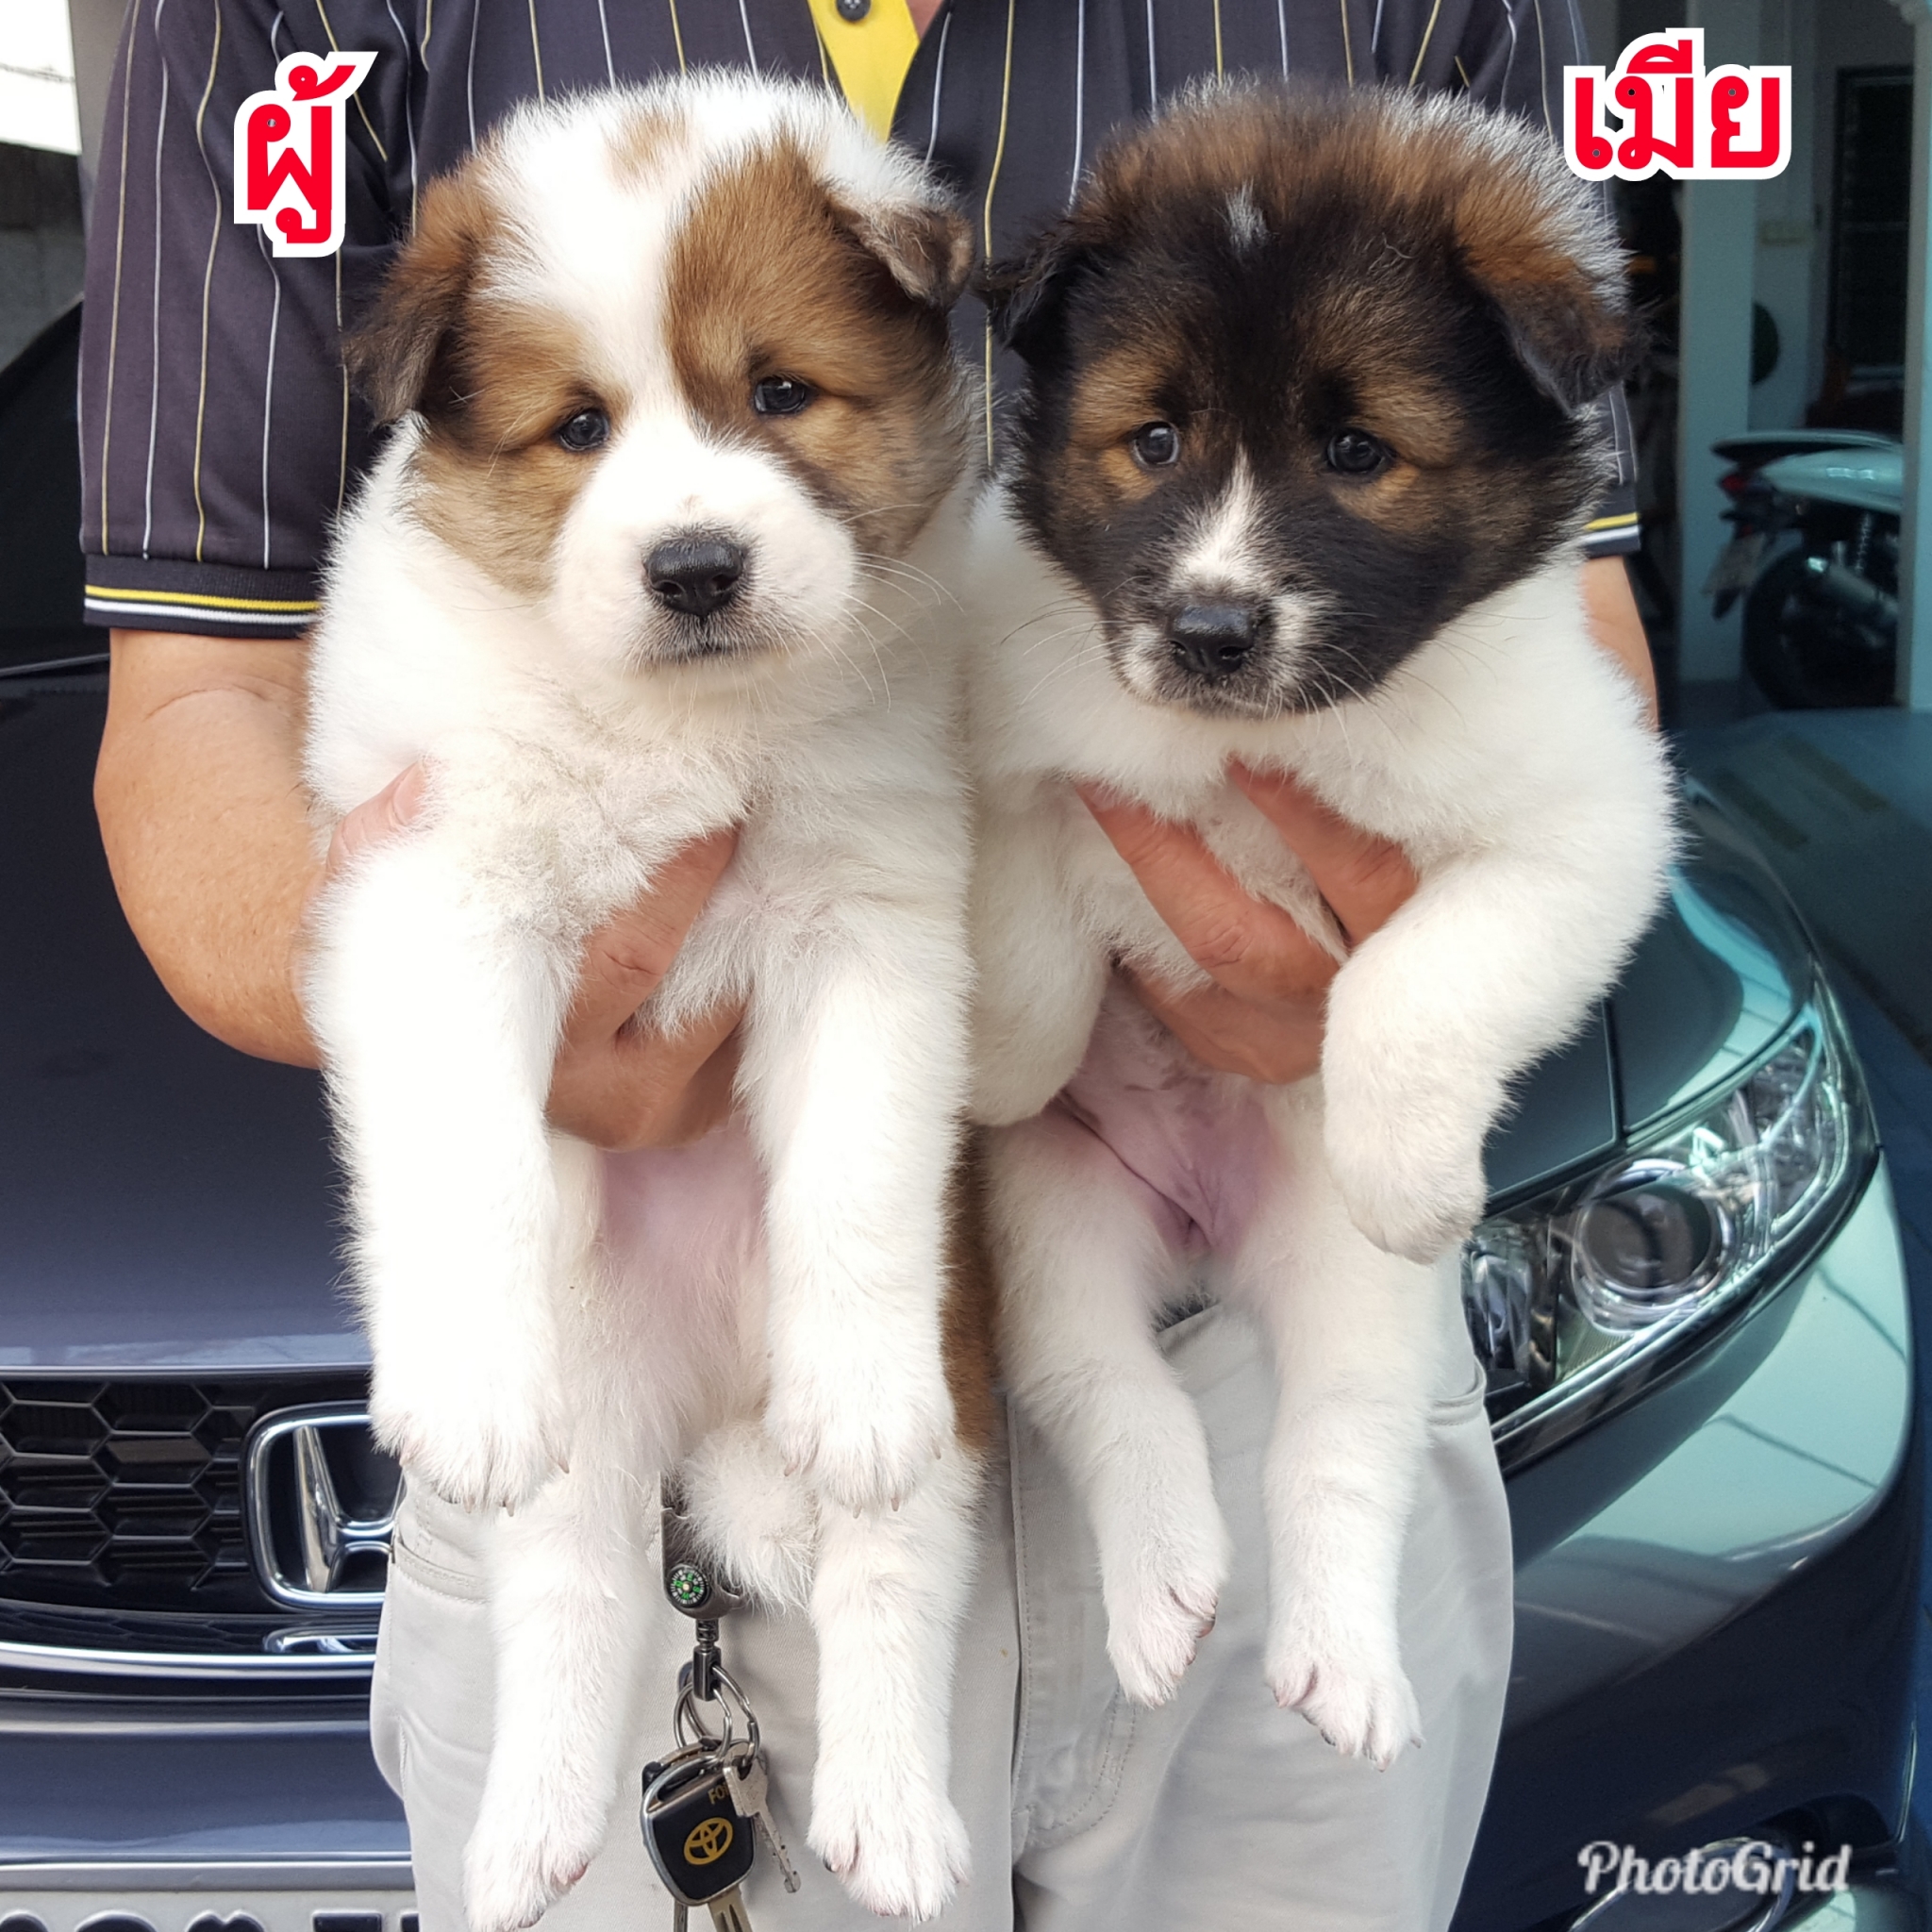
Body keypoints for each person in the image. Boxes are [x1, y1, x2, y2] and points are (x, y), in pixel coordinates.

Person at [81, 2, 1656, 1926]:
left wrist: (1386, 969)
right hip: (644, 1381)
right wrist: (487, 1029)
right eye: (584, 425)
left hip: (1265, 1356)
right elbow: (198, 692)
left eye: (776, 396)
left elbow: (1564, 615)